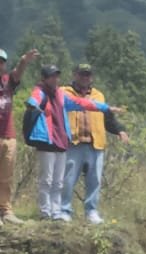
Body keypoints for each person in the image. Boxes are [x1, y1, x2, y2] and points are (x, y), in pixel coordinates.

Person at [22, 64, 121, 221]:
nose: (54, 79)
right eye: (51, 76)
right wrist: (31, 104)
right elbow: (34, 99)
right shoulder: (40, 91)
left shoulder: (61, 95)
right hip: (46, 139)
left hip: (61, 140)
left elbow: (82, 103)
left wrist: (105, 108)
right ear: (44, 78)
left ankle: (57, 212)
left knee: (59, 180)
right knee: (47, 179)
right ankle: (45, 211)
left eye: (56, 76)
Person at [61, 64, 127, 225]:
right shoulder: (64, 92)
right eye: (82, 74)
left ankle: (91, 211)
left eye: (88, 75)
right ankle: (64, 210)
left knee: (94, 180)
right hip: (73, 142)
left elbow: (108, 118)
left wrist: (120, 130)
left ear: (92, 77)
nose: (85, 77)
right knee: (68, 178)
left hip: (95, 143)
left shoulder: (99, 95)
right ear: (75, 75)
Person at [0, 49, 41, 225]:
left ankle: (5, 211)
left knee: (6, 176)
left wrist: (24, 60)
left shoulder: (7, 82)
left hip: (8, 135)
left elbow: (17, 73)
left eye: (2, 61)